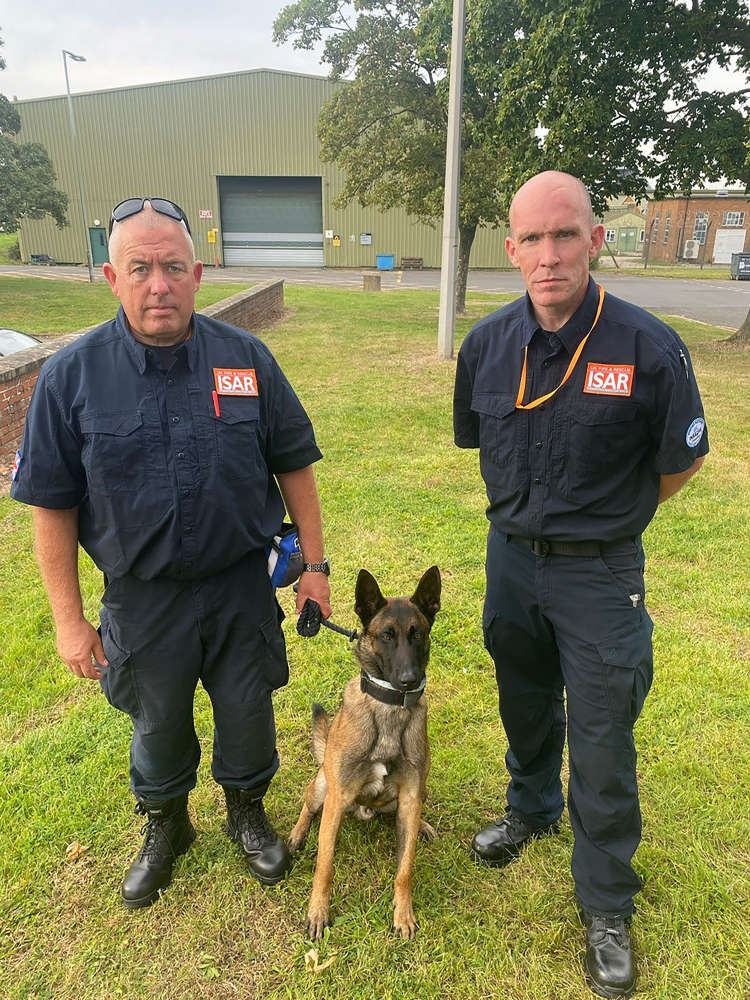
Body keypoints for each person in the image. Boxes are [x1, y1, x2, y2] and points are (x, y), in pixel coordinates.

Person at [11, 197, 332, 909]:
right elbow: (51, 507)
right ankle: (167, 824)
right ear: (111, 277)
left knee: (247, 711)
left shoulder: (245, 359)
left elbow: (295, 464)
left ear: (198, 273)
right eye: (140, 268)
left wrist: (314, 568)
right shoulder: (73, 377)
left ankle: (246, 812)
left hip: (241, 586)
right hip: (143, 596)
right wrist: (69, 620)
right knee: (156, 722)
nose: (159, 284)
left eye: (173, 268)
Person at [453, 171, 707, 998]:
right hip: (510, 560)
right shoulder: (486, 345)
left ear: (596, 240)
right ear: (511, 249)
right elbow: (474, 442)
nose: (550, 255)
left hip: (600, 572)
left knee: (601, 736)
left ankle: (605, 904)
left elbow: (681, 460)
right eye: (533, 239)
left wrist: (611, 522)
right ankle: (530, 808)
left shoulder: (646, 346)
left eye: (566, 235)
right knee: (523, 696)